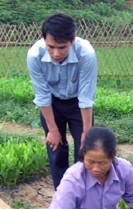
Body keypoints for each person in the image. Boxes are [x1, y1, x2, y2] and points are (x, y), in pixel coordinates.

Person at [27, 12, 98, 190]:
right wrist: (52, 129)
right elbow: (42, 95)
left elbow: (86, 96)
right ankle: (62, 194)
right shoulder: (34, 55)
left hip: (78, 105)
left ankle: (82, 192)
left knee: (84, 150)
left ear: (72, 41)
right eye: (51, 47)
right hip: (52, 104)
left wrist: (86, 132)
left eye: (62, 47)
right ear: (44, 40)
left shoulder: (86, 54)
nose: (56, 53)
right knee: (56, 149)